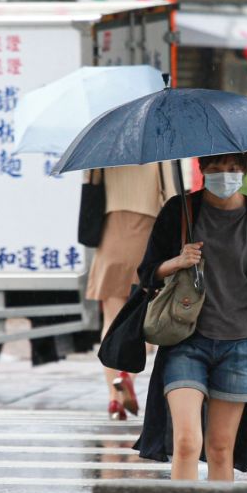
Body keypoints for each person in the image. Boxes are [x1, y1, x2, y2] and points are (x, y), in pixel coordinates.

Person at [133, 152, 247, 480]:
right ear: (203, 169)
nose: (226, 175)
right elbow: (148, 272)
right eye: (217, 168)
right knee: (187, 441)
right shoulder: (180, 211)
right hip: (185, 341)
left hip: (241, 346)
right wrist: (177, 261)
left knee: (221, 448)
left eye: (233, 168)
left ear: (244, 171)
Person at [84, 163, 174, 420]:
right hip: (147, 234)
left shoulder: (104, 148)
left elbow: (91, 186)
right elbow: (169, 194)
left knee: (111, 320)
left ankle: (114, 399)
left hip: (110, 234)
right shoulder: (159, 149)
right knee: (143, 318)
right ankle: (126, 376)